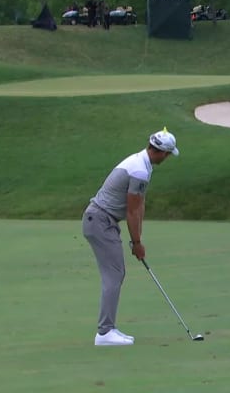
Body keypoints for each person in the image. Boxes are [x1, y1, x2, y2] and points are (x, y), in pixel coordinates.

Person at [82, 128, 180, 346]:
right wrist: (136, 243)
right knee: (114, 275)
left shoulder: (141, 164)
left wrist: (138, 239)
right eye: (167, 154)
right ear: (161, 153)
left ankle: (108, 330)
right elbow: (132, 211)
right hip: (100, 221)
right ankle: (105, 332)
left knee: (115, 273)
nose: (167, 158)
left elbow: (139, 205)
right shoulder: (139, 170)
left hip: (101, 221)